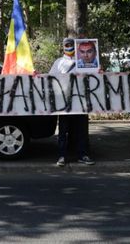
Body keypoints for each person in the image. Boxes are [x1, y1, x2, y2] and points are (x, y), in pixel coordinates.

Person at [49, 37, 95, 167]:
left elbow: (93, 77)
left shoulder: (83, 61)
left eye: (71, 44)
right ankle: (62, 156)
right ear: (63, 47)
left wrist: (99, 73)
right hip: (64, 104)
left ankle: (83, 155)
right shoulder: (58, 63)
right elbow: (50, 79)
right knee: (63, 131)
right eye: (67, 45)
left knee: (82, 131)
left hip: (81, 103)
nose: (69, 47)